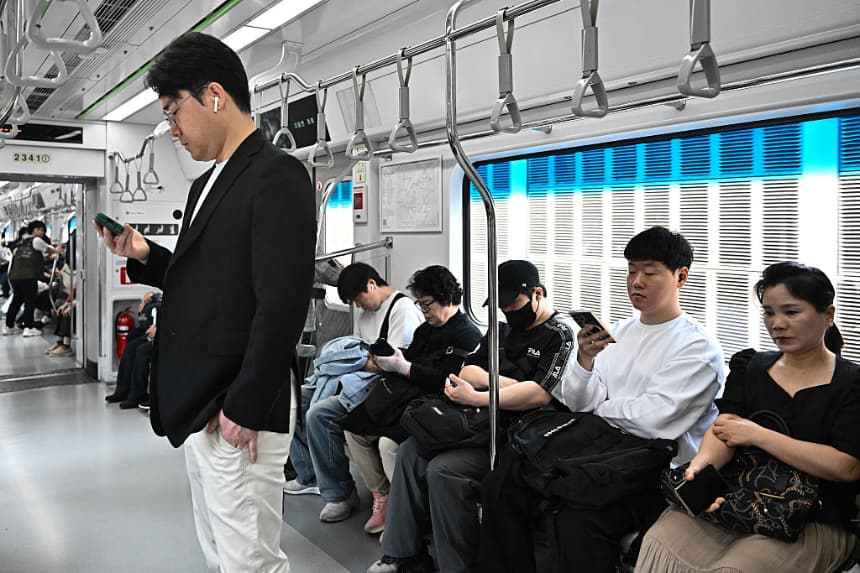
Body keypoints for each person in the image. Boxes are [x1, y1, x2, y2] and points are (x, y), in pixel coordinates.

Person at [93, 32, 315, 573]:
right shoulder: (205, 186)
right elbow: (209, 281)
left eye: (173, 112)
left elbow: (281, 302)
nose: (172, 129)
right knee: (219, 549)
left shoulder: (277, 176)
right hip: (203, 404)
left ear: (213, 95)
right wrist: (145, 253)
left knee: (250, 560)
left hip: (238, 405)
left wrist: (245, 405)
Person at [478, 226, 725, 573]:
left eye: (649, 272)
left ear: (680, 276)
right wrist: (585, 361)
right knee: (502, 484)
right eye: (631, 270)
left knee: (574, 515)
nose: (636, 281)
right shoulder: (621, 331)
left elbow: (655, 420)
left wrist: (601, 408)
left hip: (652, 466)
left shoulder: (698, 348)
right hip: (600, 450)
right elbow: (580, 401)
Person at [636, 262, 860, 573]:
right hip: (739, 497)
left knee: (738, 568)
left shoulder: (851, 383)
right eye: (769, 313)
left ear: (828, 315)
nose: (777, 324)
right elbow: (725, 429)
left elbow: (846, 466)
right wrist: (703, 467)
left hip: (815, 517)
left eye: (791, 312)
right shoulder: (750, 366)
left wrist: (758, 435)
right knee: (660, 539)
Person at [368, 259, 578, 573]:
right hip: (478, 421)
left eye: (513, 303)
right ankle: (402, 554)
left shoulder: (560, 334)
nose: (507, 311)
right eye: (500, 305)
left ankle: (457, 567)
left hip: (518, 435)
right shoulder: (503, 329)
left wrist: (482, 393)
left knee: (443, 470)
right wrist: (506, 387)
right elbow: (468, 369)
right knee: (410, 451)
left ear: (538, 294)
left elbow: (540, 395)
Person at [343, 265, 482, 535]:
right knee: (352, 428)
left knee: (387, 444)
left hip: (435, 404)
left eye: (427, 303)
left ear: (448, 298)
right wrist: (397, 358)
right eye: (420, 303)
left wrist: (405, 368)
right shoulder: (425, 331)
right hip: (407, 396)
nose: (423, 310)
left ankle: (407, 513)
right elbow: (412, 359)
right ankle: (383, 497)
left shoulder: (467, 334)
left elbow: (447, 379)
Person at [285, 261, 424, 523]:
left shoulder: (401, 310)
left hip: (383, 383)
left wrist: (357, 361)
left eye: (359, 299)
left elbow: (389, 363)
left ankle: (339, 493)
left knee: (319, 413)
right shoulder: (365, 312)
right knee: (291, 398)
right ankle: (309, 475)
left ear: (372, 285)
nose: (359, 306)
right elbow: (360, 351)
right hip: (358, 375)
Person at [4, 220, 55, 337]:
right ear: (33, 230)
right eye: (39, 229)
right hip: (28, 276)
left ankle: (9, 326)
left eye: (43, 230)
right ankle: (28, 327)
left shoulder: (21, 243)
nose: (41, 232)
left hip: (15, 276)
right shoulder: (36, 240)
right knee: (29, 301)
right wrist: (58, 251)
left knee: (16, 301)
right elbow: (48, 250)